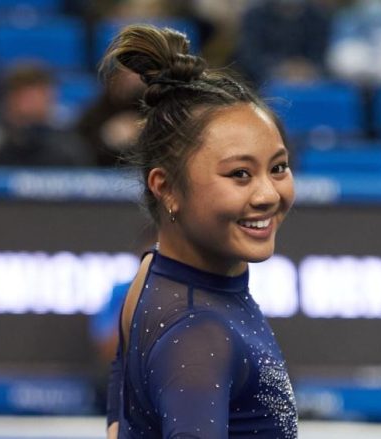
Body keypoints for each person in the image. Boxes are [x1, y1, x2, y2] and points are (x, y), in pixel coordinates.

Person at [101, 25, 297, 437]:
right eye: (240, 174)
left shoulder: (151, 272)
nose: (268, 194)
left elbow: (120, 424)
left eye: (278, 167)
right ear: (166, 187)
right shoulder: (197, 334)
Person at [0, 64, 94, 166]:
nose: (44, 101)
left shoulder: (68, 144)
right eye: (32, 96)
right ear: (11, 98)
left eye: (46, 95)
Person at [235, 0, 331, 86]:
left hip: (309, 81)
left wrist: (304, 69)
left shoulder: (318, 18)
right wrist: (280, 68)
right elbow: (250, 56)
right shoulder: (254, 16)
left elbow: (320, 55)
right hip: (261, 83)